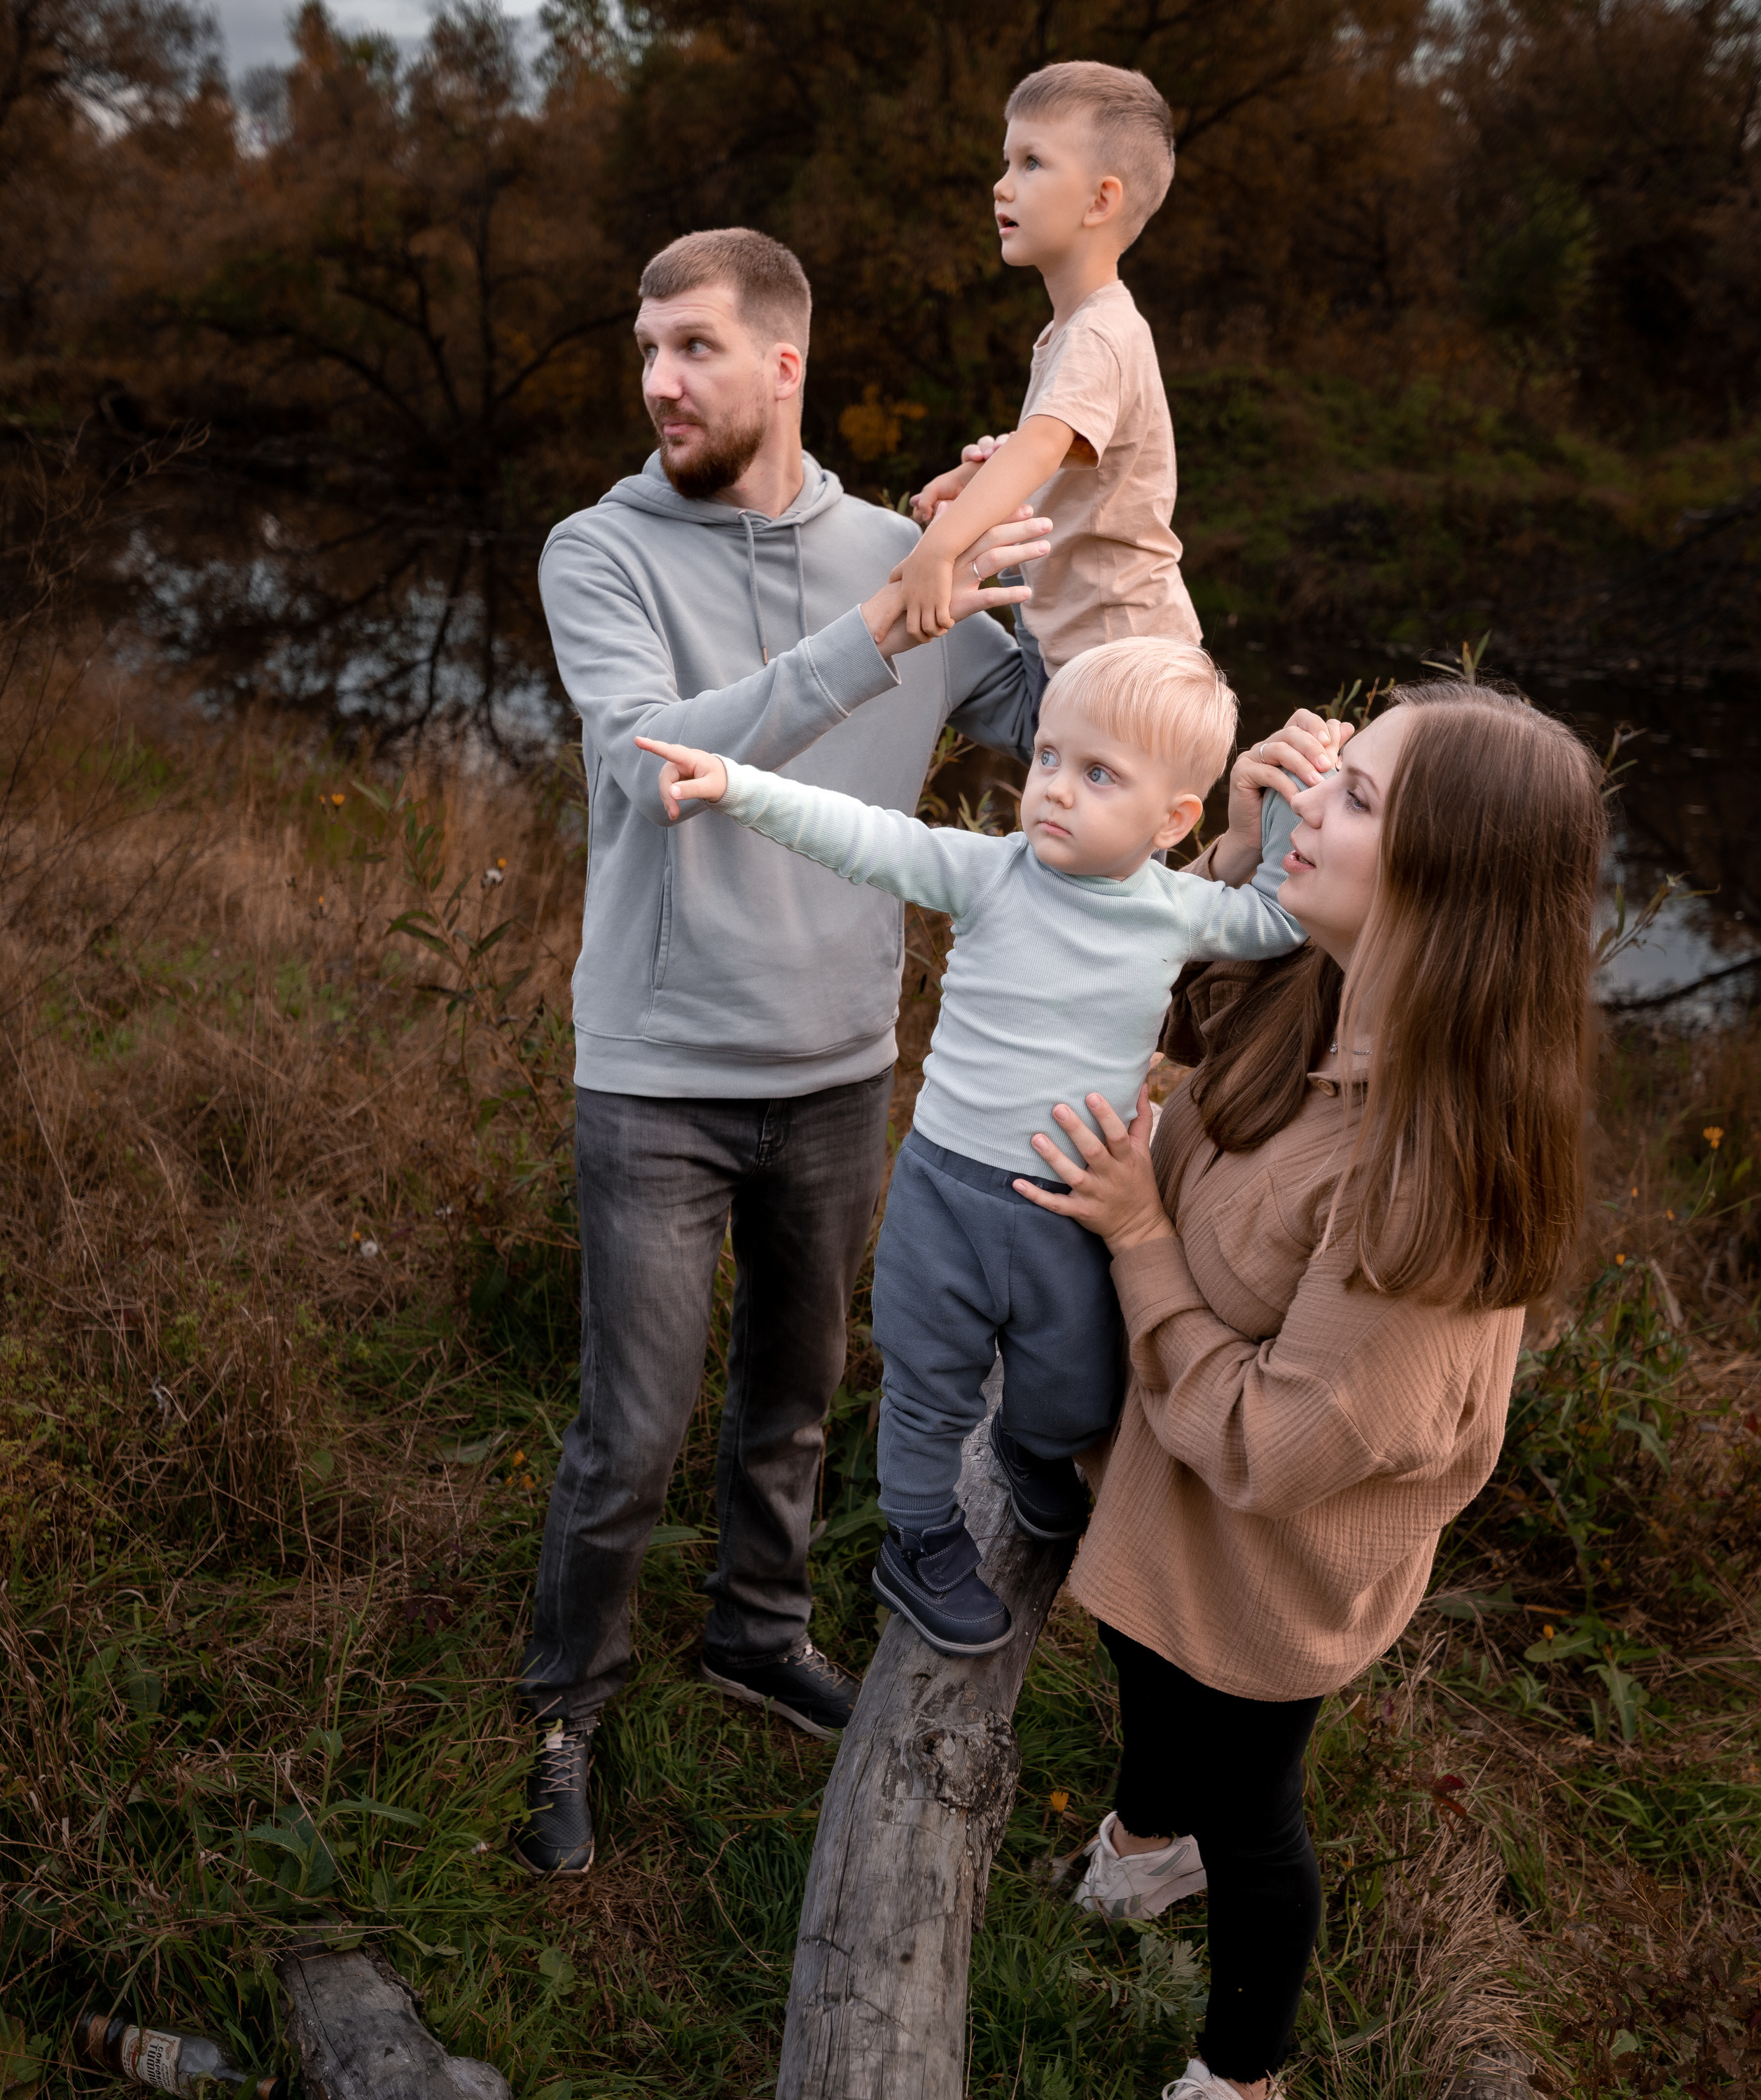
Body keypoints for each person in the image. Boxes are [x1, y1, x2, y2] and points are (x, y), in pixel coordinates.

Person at [1012, 682, 1607, 2100]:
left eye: (1353, 797)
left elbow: (1279, 1445)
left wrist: (1142, 1238)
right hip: (1168, 1478)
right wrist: (1229, 851)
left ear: (1442, 883)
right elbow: (1165, 1003)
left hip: (1272, 1549)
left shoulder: (1429, 1178)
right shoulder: (1315, 984)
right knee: (1144, 1671)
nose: (1310, 794)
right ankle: (1145, 1838)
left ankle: (1240, 2073)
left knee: (1250, 1799)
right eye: (1328, 768)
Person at [514, 226, 1052, 1878]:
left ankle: (756, 1630)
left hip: (833, 1068)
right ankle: (566, 1701)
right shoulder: (595, 551)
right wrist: (884, 631)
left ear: (782, 364)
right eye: (645, 349)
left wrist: (1090, 561)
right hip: (660, 1073)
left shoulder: (906, 549)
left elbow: (1063, 733)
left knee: (795, 1400)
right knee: (630, 1428)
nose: (659, 381)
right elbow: (648, 764)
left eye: (690, 347)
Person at [636, 637, 1314, 1656]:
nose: (1051, 790)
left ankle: (1031, 1449)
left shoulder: (1179, 912)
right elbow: (862, 837)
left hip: (1070, 1205)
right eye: (1047, 756)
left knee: (1076, 1384)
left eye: (1098, 776)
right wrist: (736, 783)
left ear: (1175, 821)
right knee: (926, 1383)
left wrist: (1299, 799)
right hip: (945, 1193)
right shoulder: (992, 874)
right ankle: (917, 1538)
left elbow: (1278, 917)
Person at [899, 60, 1202, 693]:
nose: (1001, 187)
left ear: (1100, 200)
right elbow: (1063, 460)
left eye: (1031, 163)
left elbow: (1041, 446)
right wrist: (973, 478)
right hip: (1077, 645)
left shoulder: (1099, 333)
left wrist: (941, 549)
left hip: (1123, 657)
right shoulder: (1073, 331)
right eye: (1007, 163)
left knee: (1087, 795)